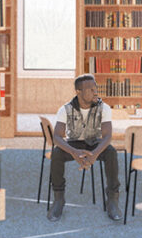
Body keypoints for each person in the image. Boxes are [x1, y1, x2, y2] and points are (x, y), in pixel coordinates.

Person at [47, 73, 121, 222]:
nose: (95, 92)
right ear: (78, 92)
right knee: (57, 154)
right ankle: (59, 199)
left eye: (96, 88)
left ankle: (113, 200)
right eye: (90, 89)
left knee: (111, 152)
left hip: (95, 143)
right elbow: (57, 137)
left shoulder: (104, 108)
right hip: (74, 143)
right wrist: (74, 152)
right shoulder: (65, 109)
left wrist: (94, 155)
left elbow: (107, 136)